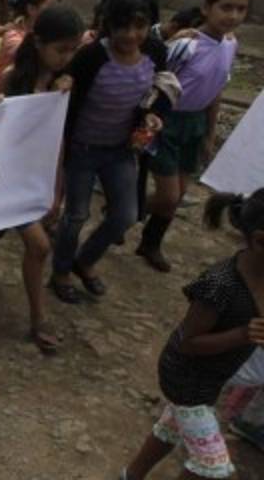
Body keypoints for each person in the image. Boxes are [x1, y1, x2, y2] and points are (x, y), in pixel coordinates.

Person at [0, 5, 85, 353]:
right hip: (4, 171)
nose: (66, 57)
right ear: (38, 43)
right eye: (61, 49)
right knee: (39, 246)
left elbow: (56, 139)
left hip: (31, 173)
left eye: (72, 50)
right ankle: (38, 320)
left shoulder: (60, 86)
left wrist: (55, 188)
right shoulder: (14, 78)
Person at [120, 189, 264, 480]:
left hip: (213, 376)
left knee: (171, 426)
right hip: (187, 377)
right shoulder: (220, 283)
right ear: (261, 240)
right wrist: (241, 335)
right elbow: (188, 342)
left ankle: (130, 476)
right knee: (212, 466)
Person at [50, 0, 172, 304]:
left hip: (121, 149)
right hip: (83, 148)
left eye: (139, 26)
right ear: (109, 24)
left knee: (126, 214)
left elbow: (158, 92)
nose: (131, 35)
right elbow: (64, 81)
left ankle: (85, 260)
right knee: (75, 215)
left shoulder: (156, 52)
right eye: (123, 26)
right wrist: (63, 82)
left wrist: (152, 117)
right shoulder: (92, 56)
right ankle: (60, 271)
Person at [138, 0, 250, 272]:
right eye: (226, 7)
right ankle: (126, 210)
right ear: (207, 7)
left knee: (178, 194)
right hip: (167, 121)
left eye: (241, 9)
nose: (233, 16)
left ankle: (150, 242)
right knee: (168, 195)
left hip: (196, 123)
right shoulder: (187, 45)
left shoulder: (230, 44)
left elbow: (216, 91)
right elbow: (154, 77)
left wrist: (209, 134)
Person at [0, 0, 57, 98]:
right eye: (51, 7)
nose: (56, 12)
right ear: (31, 9)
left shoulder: (39, 34)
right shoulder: (14, 36)